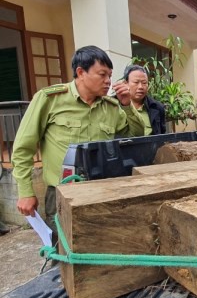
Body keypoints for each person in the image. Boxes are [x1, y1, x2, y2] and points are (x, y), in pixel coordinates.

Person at [11, 45, 146, 245]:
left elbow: (135, 137)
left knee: (101, 247)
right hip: (62, 193)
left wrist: (127, 106)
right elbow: (23, 148)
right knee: (63, 253)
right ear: (81, 72)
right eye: (102, 74)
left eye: (110, 75)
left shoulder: (111, 107)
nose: (108, 81)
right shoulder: (50, 99)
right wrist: (25, 192)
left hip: (101, 192)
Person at [123, 65, 166, 135]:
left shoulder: (157, 107)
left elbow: (162, 135)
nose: (140, 87)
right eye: (136, 82)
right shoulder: (114, 106)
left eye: (144, 83)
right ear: (126, 83)